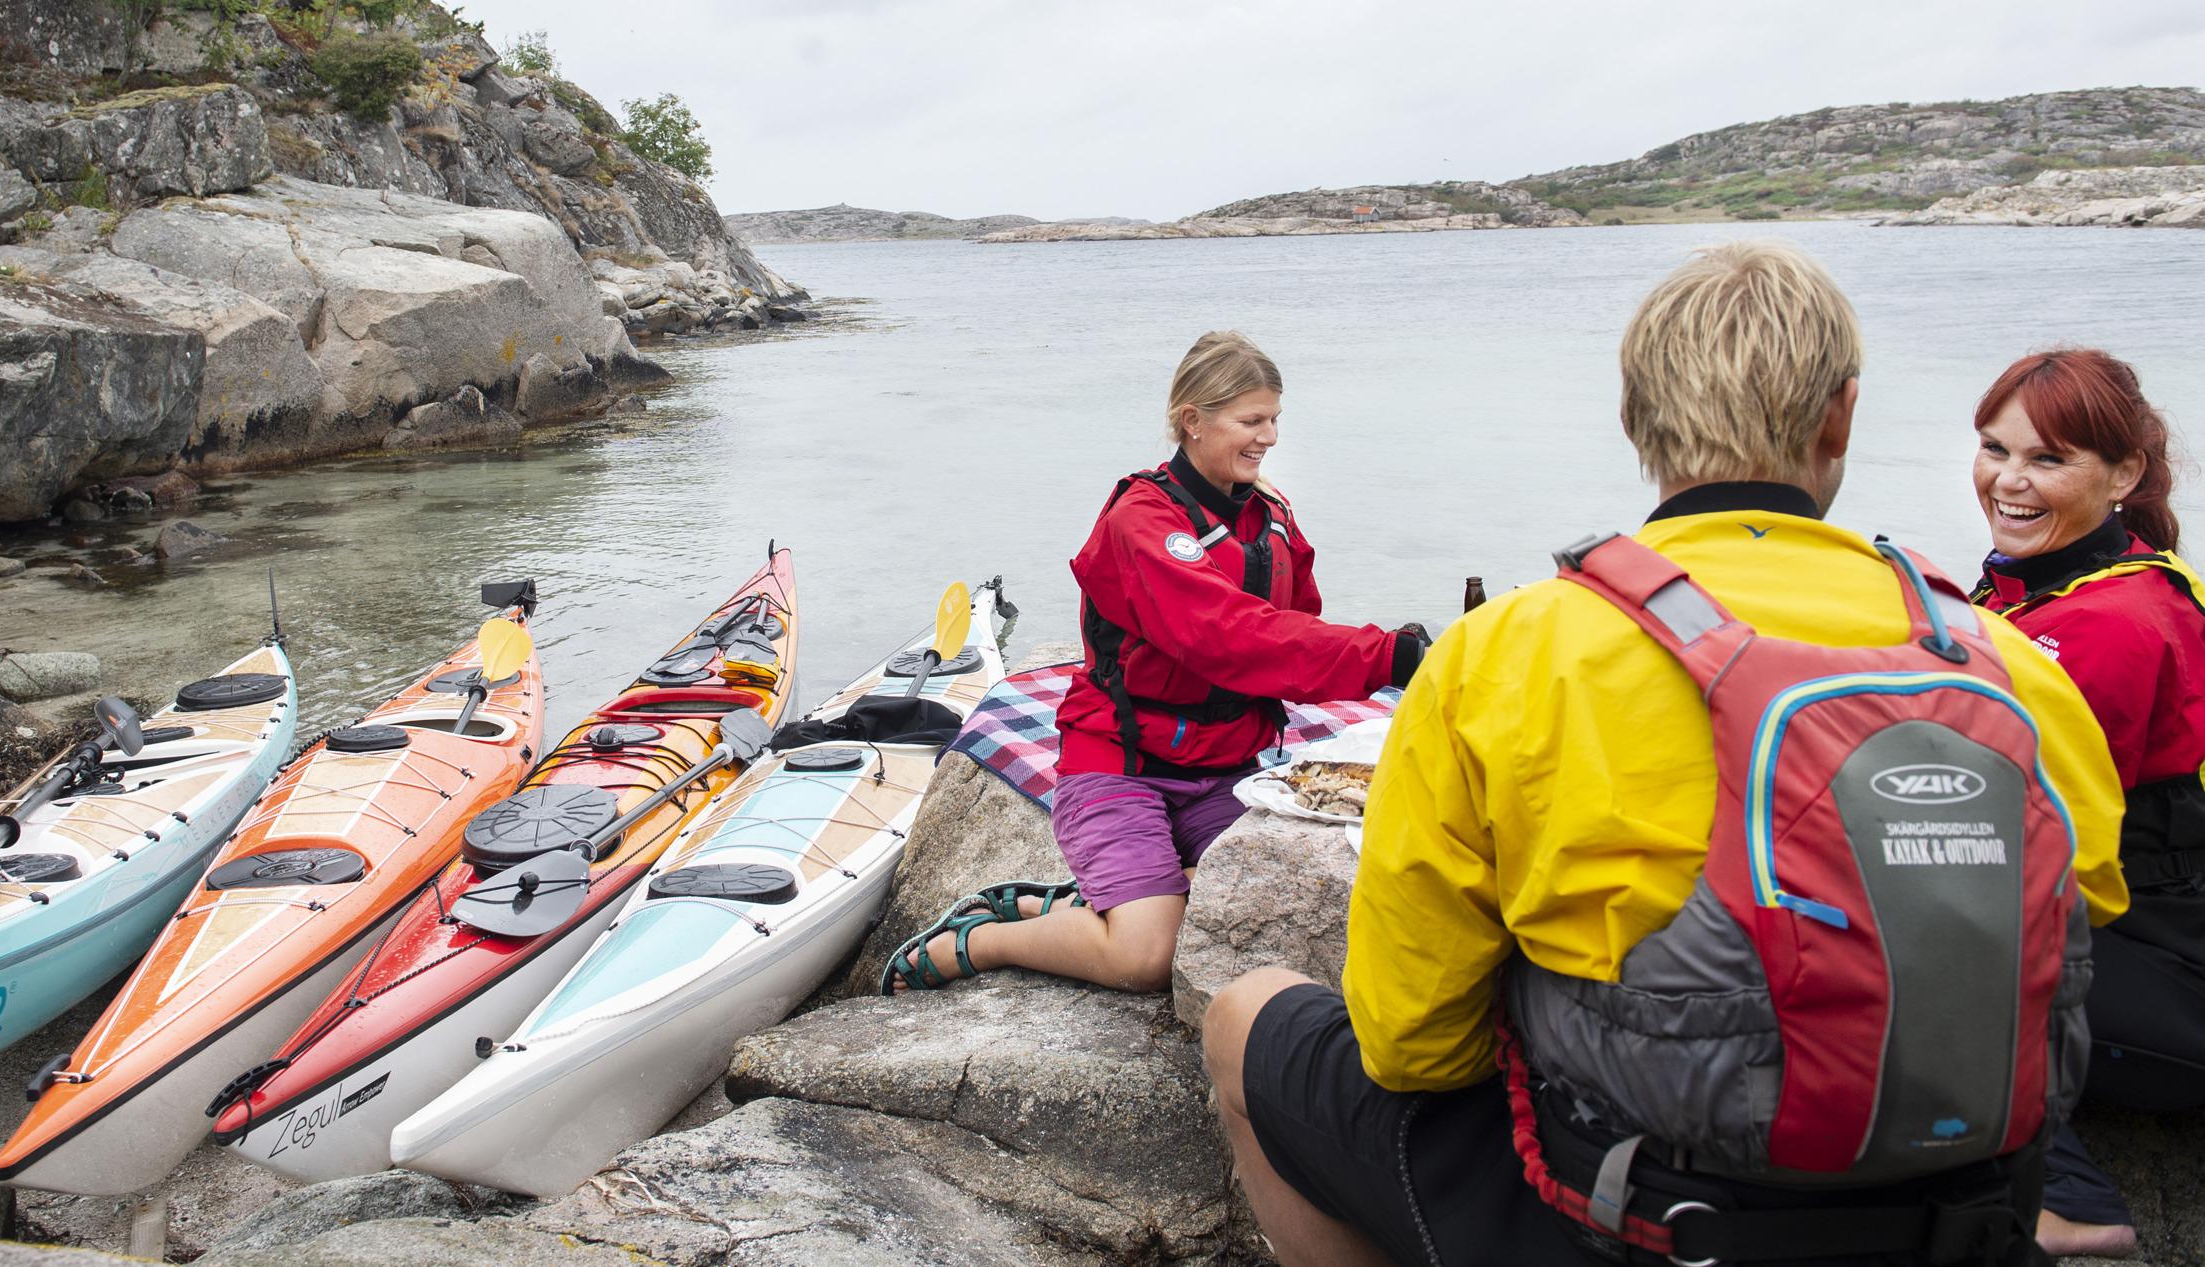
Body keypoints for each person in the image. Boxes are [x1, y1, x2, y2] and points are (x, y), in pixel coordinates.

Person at [1204, 245, 2131, 1267]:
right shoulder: (1996, 657)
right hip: (1959, 1213)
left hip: (1637, 1218)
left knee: (1246, 1017)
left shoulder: (1511, 648)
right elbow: (2077, 924)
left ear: (1633, 419)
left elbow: (1411, 1040)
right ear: (1840, 415)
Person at [883, 330, 1427, 995]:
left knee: (1298, 886)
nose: (1271, 436)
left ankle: (1073, 904)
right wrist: (1387, 655)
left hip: (1227, 766)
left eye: (1276, 418)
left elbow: (1296, 628)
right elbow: (1226, 637)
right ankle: (983, 939)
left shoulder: (1273, 515)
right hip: (1122, 766)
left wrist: (1390, 659)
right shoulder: (1141, 519)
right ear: (1192, 421)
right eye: (1252, 420)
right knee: (1145, 954)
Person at [1969, 349, 2205, 1260]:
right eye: (1995, 447)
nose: (2008, 480)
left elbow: (2025, 850)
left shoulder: (2109, 626)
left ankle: (2062, 1194)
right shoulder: (2076, 580)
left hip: (2166, 973)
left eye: (2048, 459)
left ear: (2126, 474)